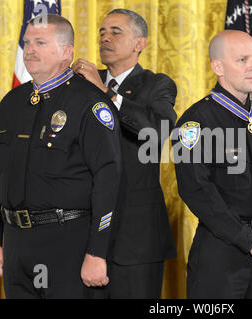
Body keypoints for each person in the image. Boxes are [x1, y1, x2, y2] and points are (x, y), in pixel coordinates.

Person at [0, 14, 123, 298]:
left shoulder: (90, 102)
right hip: (16, 244)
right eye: (27, 42)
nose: (29, 50)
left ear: (66, 52)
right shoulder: (12, 102)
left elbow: (109, 178)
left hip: (67, 242)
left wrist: (97, 251)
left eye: (40, 42)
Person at [172, 30, 252, 298]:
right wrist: (245, 239)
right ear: (218, 67)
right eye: (242, 60)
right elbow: (196, 191)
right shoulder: (195, 122)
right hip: (222, 253)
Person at [71, 9, 177, 298]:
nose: (105, 38)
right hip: (83, 230)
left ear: (139, 43)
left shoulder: (158, 84)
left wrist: (105, 92)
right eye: (102, 32)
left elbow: (155, 130)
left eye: (116, 32)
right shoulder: (79, 85)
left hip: (137, 237)